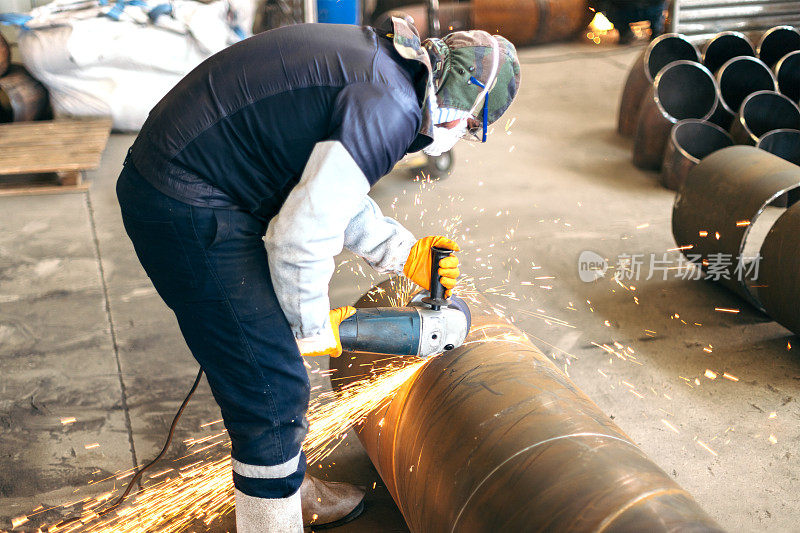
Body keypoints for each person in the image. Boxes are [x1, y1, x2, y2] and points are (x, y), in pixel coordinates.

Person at [116, 15, 520, 531]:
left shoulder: (387, 71)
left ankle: (293, 491)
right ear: (464, 102)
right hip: (183, 199)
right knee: (272, 388)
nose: (461, 136)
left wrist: (403, 253)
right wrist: (311, 330)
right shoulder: (388, 108)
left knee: (272, 363)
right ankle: (271, 522)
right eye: (471, 125)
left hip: (196, 171)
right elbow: (300, 236)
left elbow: (325, 189)